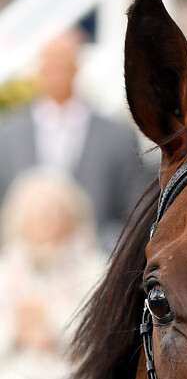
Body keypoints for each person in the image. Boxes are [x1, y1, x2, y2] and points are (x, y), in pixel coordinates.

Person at [0, 30, 149, 247]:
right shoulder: (8, 136)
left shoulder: (118, 137)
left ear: (77, 67)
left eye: (64, 64)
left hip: (98, 264)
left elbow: (136, 207)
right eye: (50, 64)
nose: (57, 73)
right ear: (38, 69)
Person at [0, 167, 104, 379]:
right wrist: (18, 328)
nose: (46, 220)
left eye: (53, 212)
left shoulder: (92, 265)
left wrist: (50, 323)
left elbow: (96, 330)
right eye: (37, 213)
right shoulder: (6, 266)